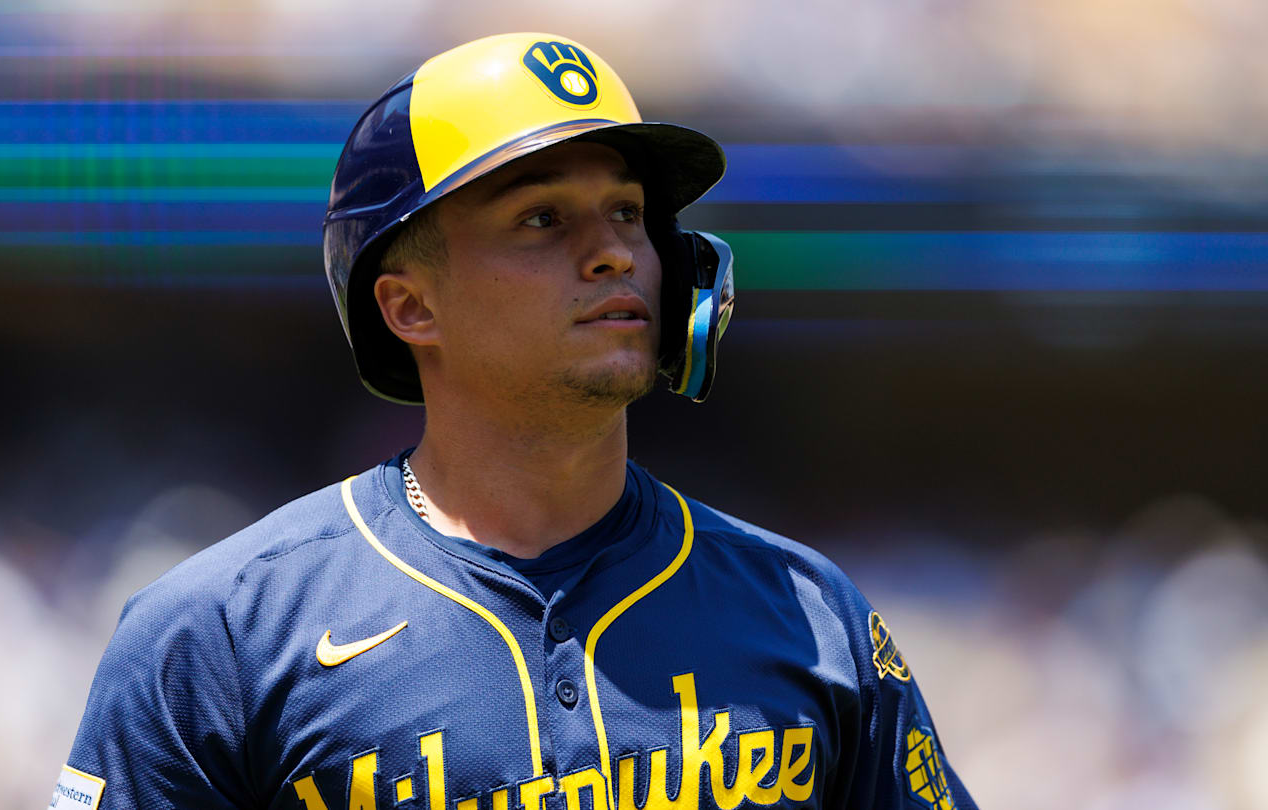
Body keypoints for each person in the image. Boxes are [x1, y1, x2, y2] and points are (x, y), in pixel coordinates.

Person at [51, 33, 975, 810]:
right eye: (541, 218)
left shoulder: (813, 616)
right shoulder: (217, 636)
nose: (615, 251)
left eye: (628, 211)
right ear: (411, 308)